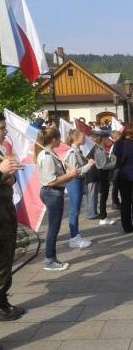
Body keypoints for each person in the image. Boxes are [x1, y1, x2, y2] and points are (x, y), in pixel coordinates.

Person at [35, 127, 79, 271]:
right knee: (53, 228)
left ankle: (52, 258)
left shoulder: (49, 153)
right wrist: (70, 175)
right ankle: (49, 260)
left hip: (53, 192)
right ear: (53, 139)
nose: (60, 141)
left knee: (55, 226)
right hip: (52, 192)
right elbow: (51, 180)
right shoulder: (47, 155)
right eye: (59, 138)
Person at [0, 114, 27, 320]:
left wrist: (10, 176)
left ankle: (2, 300)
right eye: (1, 128)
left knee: (5, 261)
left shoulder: (1, 150)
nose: (5, 131)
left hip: (6, 214)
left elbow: (8, 178)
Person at [64, 130, 95, 248]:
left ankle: (76, 235)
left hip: (78, 182)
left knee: (76, 210)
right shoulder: (72, 153)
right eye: (83, 136)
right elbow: (75, 172)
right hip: (74, 182)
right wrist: (89, 165)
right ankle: (73, 238)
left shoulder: (77, 151)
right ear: (75, 138)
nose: (85, 138)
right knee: (74, 211)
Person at [92, 133, 117, 225]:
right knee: (103, 197)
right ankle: (103, 217)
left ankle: (103, 216)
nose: (108, 140)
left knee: (104, 196)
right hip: (103, 174)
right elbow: (104, 165)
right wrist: (115, 162)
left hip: (103, 174)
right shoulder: (100, 150)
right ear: (102, 139)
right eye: (107, 138)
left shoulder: (101, 149)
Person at [110, 130, 122, 210]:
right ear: (115, 136)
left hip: (117, 167)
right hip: (117, 167)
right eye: (119, 135)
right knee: (116, 186)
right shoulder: (116, 145)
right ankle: (115, 202)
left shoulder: (117, 144)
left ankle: (116, 201)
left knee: (116, 186)